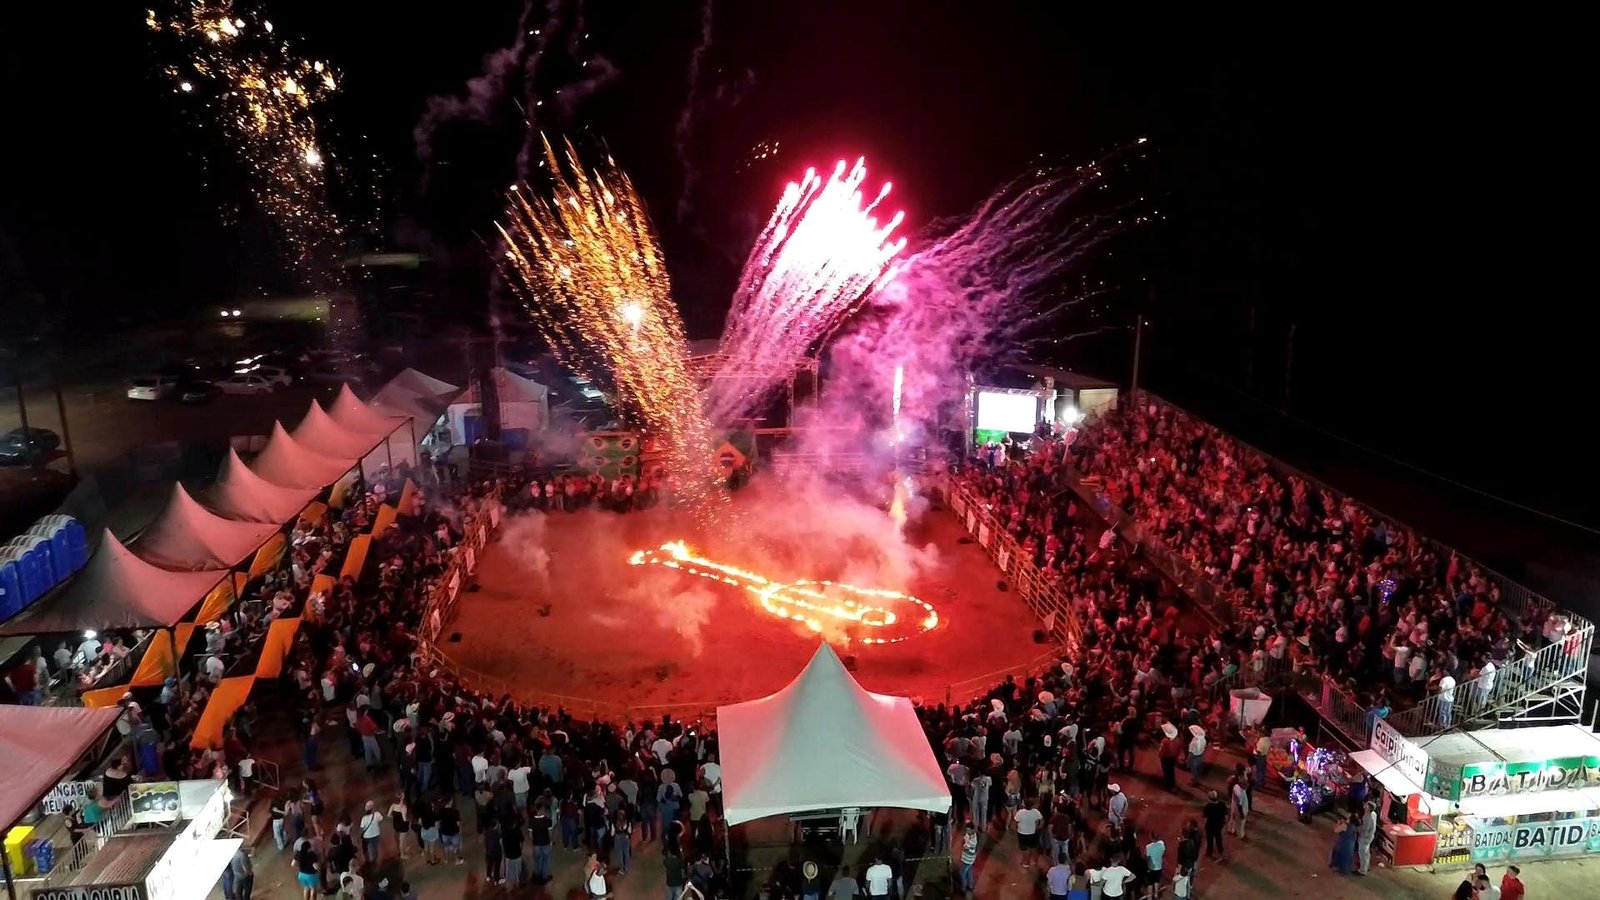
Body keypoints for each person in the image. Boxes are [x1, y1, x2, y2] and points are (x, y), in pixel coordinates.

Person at [1014, 797, 1044, 869]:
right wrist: (1039, 827)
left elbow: (1016, 821)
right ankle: (1035, 861)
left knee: (1024, 849)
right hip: (1033, 833)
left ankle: (1026, 863)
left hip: (1022, 833)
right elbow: (1042, 820)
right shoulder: (1036, 812)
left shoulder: (1020, 812)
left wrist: (1016, 828)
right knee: (1033, 848)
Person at [1202, 791, 1227, 859]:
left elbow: (1206, 818)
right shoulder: (1222, 804)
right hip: (1219, 825)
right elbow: (1225, 814)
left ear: (1209, 798)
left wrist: (1204, 826)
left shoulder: (1208, 806)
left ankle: (1209, 852)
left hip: (1210, 826)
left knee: (1210, 839)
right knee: (1218, 838)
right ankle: (1220, 851)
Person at [957, 822, 979, 895]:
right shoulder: (971, 835)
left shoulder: (973, 841)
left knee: (962, 872)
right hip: (970, 858)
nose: (967, 831)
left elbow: (964, 847)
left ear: (972, 830)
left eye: (968, 830)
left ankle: (963, 887)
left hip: (967, 859)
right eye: (966, 830)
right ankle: (970, 885)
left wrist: (964, 842)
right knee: (969, 871)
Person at [359, 801, 383, 866]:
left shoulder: (364, 819)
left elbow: (362, 828)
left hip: (366, 836)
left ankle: (367, 860)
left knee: (365, 849)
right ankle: (374, 860)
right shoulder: (377, 814)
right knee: (375, 848)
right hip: (375, 835)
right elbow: (381, 819)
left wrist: (360, 835)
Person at [1357, 800, 1377, 875]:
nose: (1364, 804)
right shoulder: (1373, 814)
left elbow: (1365, 829)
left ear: (1368, 808)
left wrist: (1358, 830)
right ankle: (1366, 867)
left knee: (1362, 853)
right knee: (1366, 853)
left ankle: (1362, 870)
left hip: (1365, 837)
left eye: (1366, 804)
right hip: (1370, 836)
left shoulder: (1367, 817)